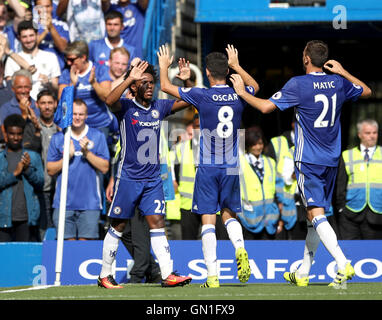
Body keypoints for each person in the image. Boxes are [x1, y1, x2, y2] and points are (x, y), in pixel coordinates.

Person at [230, 40, 372, 287]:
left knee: (316, 214)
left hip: (309, 159)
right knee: (312, 217)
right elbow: (367, 91)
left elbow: (265, 107)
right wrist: (342, 72)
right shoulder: (338, 82)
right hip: (331, 160)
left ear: (306, 58)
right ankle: (303, 272)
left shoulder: (298, 84)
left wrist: (242, 92)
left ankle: (342, 263)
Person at [158, 44, 259, 288]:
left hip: (208, 165)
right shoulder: (238, 94)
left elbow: (164, 86)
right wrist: (237, 66)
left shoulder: (202, 95)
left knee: (208, 219)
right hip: (232, 164)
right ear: (227, 71)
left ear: (207, 71)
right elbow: (255, 87)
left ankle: (212, 276)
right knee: (229, 213)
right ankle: (240, 248)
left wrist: (164, 67)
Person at [98, 59, 192, 289]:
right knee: (118, 225)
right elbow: (109, 100)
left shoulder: (158, 107)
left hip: (152, 180)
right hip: (128, 177)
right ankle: (104, 274)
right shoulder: (126, 108)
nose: (150, 86)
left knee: (158, 222)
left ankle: (168, 273)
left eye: (152, 83)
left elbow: (188, 101)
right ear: (133, 87)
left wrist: (186, 80)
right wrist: (129, 78)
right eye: (144, 83)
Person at [47, 99, 110, 240]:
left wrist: (87, 153)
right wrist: (67, 157)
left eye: (81, 114)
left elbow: (105, 167)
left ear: (86, 116)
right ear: (69, 115)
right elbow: (50, 170)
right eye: (74, 114)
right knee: (66, 249)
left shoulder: (97, 136)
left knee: (84, 248)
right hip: (63, 203)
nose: (77, 117)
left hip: (90, 203)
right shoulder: (59, 138)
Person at [172, 114, 228, 240]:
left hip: (213, 203)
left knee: (218, 241)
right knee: (189, 243)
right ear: (192, 128)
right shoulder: (180, 148)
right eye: (197, 126)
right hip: (188, 204)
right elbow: (174, 176)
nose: (200, 130)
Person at [335, 119, 382, 240]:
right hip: (350, 215)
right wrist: (341, 208)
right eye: (368, 133)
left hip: (378, 214)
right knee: (349, 252)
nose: (372, 136)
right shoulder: (347, 155)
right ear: (359, 134)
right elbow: (340, 185)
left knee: (374, 254)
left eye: (374, 133)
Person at [0, 114, 44, 242]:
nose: (15, 138)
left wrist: (27, 170)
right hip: (3, 218)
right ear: (6, 134)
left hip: (26, 218)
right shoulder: (1, 158)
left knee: (24, 259)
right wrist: (15, 173)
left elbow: (40, 183)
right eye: (12, 134)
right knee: (4, 258)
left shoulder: (33, 157)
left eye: (19, 134)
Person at [238, 128, 284, 239]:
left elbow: (279, 187)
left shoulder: (271, 162)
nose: (258, 147)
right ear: (248, 145)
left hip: (269, 219)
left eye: (260, 144)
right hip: (248, 217)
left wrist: (280, 215)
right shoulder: (238, 162)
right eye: (254, 144)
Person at [58, 40, 113, 132]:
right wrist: (72, 85)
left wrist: (94, 83)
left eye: (71, 60)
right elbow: (62, 103)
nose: (68, 63)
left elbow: (107, 98)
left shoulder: (99, 70)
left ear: (83, 57)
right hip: (75, 125)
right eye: (66, 59)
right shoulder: (66, 73)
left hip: (99, 123)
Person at [4, 20, 61, 100]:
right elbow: (10, 87)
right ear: (19, 38)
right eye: (24, 37)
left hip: (44, 105)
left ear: (37, 35)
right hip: (22, 104)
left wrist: (48, 83)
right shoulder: (12, 59)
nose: (28, 40)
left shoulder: (50, 57)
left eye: (31, 35)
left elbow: (56, 87)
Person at [33, 89, 59, 240]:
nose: (47, 106)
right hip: (40, 187)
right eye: (43, 103)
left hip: (58, 187)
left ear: (55, 104)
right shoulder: (32, 126)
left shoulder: (62, 128)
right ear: (37, 105)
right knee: (42, 229)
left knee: (56, 228)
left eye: (50, 103)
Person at [35, 0, 70, 71]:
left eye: (47, 6)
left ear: (52, 7)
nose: (45, 10)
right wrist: (45, 32)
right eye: (41, 7)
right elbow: (30, 46)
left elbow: (63, 48)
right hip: (37, 69)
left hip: (58, 69)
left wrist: (51, 27)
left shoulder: (62, 26)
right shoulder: (32, 25)